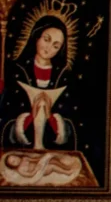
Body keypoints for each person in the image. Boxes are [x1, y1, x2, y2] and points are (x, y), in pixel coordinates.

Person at [6, 12, 81, 154]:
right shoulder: (17, 72)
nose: (48, 48)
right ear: (36, 36)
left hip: (53, 154)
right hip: (19, 153)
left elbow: (75, 126)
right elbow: (4, 119)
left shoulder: (64, 78)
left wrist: (51, 117)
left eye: (56, 46)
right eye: (46, 39)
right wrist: (29, 118)